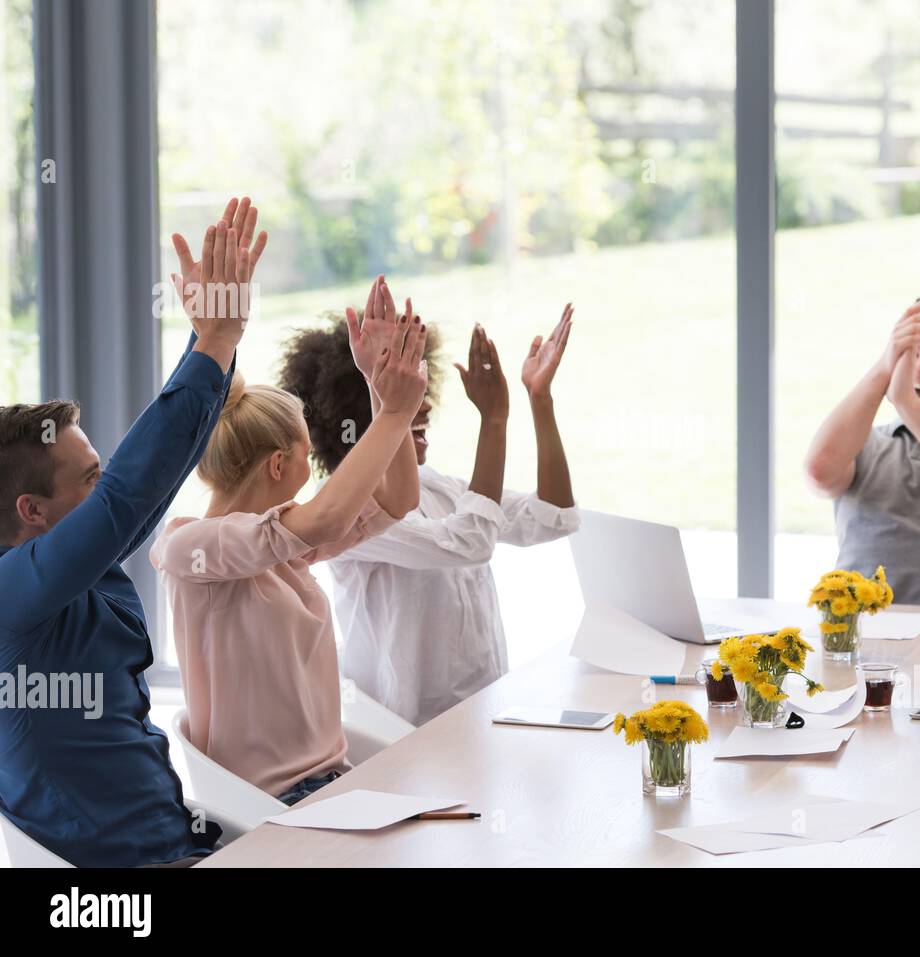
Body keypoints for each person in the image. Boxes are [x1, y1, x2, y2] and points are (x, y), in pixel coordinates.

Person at [0, 198, 265, 865]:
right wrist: (213, 341)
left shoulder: (72, 571)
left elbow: (142, 491)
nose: (105, 481)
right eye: (87, 476)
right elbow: (128, 496)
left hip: (181, 844)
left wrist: (214, 343)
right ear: (33, 510)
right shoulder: (11, 594)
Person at [151, 276, 427, 803]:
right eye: (306, 454)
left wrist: (377, 385)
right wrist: (394, 414)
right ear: (279, 464)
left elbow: (397, 499)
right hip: (276, 805)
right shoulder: (192, 546)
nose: (315, 467)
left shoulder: (283, 544)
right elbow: (326, 518)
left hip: (332, 784)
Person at [279, 305, 579, 726]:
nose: (425, 402)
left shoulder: (436, 484)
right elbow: (469, 543)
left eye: (419, 380)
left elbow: (554, 517)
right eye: (404, 385)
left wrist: (539, 399)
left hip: (483, 709)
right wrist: (493, 420)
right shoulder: (341, 511)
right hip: (405, 732)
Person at [805, 292, 920, 604]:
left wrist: (906, 401)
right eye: (911, 354)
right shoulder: (868, 441)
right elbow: (819, 472)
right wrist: (884, 367)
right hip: (857, 635)